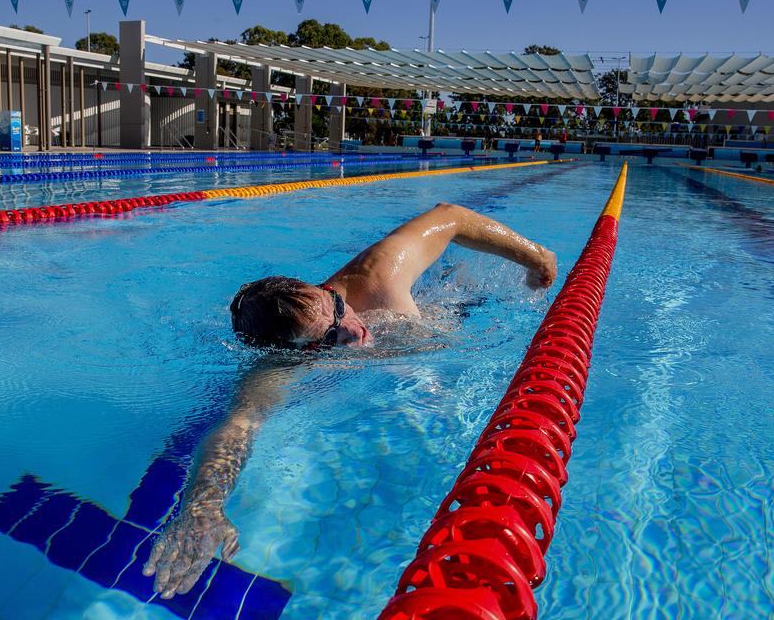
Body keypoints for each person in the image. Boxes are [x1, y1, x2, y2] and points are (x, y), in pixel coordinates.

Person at [142, 202, 558, 599]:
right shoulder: (277, 370)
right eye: (328, 339)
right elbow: (238, 427)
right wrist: (202, 506)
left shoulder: (378, 275)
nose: (354, 332)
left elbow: (450, 217)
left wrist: (536, 256)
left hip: (447, 312)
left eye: (338, 310)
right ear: (296, 353)